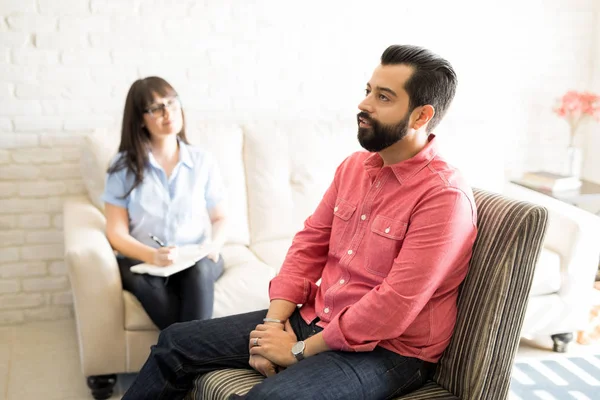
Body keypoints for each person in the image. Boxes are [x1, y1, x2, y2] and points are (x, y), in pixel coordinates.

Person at [122, 45, 478, 400]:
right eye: (367, 91)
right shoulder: (353, 167)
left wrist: (295, 352)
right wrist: (272, 326)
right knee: (175, 342)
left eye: (383, 97)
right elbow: (309, 244)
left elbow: (394, 306)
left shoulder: (443, 197)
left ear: (420, 116)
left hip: (388, 350)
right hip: (315, 316)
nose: (364, 104)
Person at [102, 76, 227, 330]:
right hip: (143, 259)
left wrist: (214, 244)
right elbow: (116, 232)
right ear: (139, 119)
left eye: (171, 103)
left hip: (193, 257)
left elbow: (220, 217)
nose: (167, 113)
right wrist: (152, 255)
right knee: (149, 287)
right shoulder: (122, 168)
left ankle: (184, 364)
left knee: (201, 271)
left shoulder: (202, 161)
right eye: (155, 108)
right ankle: (196, 365)